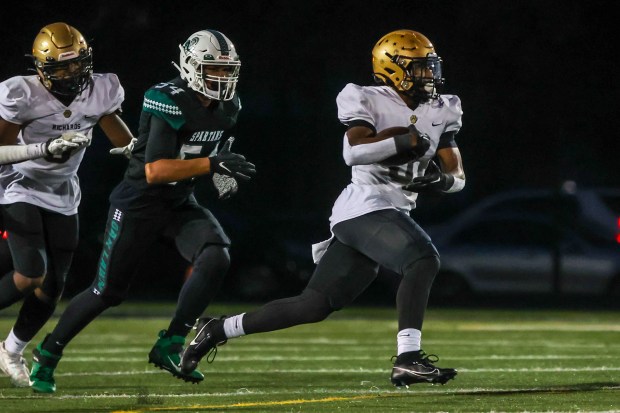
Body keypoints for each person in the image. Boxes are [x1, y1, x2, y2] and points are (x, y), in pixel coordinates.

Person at [180, 29, 465, 388]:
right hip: (364, 206)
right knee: (422, 259)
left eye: (430, 67)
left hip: (393, 212)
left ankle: (217, 328)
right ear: (392, 69)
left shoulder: (444, 107)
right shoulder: (364, 97)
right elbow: (353, 152)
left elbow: (458, 176)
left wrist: (439, 181)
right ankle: (408, 358)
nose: (429, 76)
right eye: (420, 68)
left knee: (312, 305)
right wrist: (402, 140)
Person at [28, 29, 256, 393]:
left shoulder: (231, 106)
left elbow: (212, 148)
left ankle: (171, 343)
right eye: (214, 69)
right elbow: (156, 170)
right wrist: (212, 166)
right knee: (107, 292)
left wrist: (220, 173)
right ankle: (48, 352)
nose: (222, 78)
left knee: (216, 255)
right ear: (192, 66)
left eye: (228, 71)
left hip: (179, 203)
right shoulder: (165, 97)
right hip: (139, 203)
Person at [0, 22, 135, 388]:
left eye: (78, 65)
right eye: (63, 68)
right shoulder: (20, 93)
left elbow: (123, 139)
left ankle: (11, 350)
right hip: (18, 184)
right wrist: (42, 149)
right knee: (30, 275)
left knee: (53, 288)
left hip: (62, 191)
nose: (73, 74)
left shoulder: (101, 90)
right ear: (42, 68)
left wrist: (143, 155)